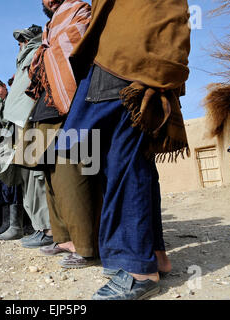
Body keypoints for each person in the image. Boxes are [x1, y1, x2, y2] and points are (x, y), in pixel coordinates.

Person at [61, 0, 191, 299]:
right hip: (120, 57)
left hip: (127, 61)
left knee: (124, 162)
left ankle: (136, 268)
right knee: (130, 158)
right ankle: (153, 254)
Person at [19, 0, 100, 267]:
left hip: (73, 106)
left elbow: (79, 41)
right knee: (51, 179)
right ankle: (64, 238)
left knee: (73, 176)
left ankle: (87, 245)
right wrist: (45, 50)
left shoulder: (81, 9)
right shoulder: (48, 27)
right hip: (45, 109)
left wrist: (46, 51)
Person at [0, 24, 52, 242]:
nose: (20, 45)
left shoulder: (38, 53)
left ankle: (47, 230)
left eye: (23, 40)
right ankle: (41, 228)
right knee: (27, 178)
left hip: (32, 124)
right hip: (20, 127)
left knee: (36, 178)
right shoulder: (24, 60)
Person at [0, 77, 24, 239]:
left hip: (15, 146)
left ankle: (16, 226)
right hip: (2, 149)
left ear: (5, 87)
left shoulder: (12, 100)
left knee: (13, 186)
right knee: (4, 186)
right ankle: (6, 224)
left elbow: (7, 118)